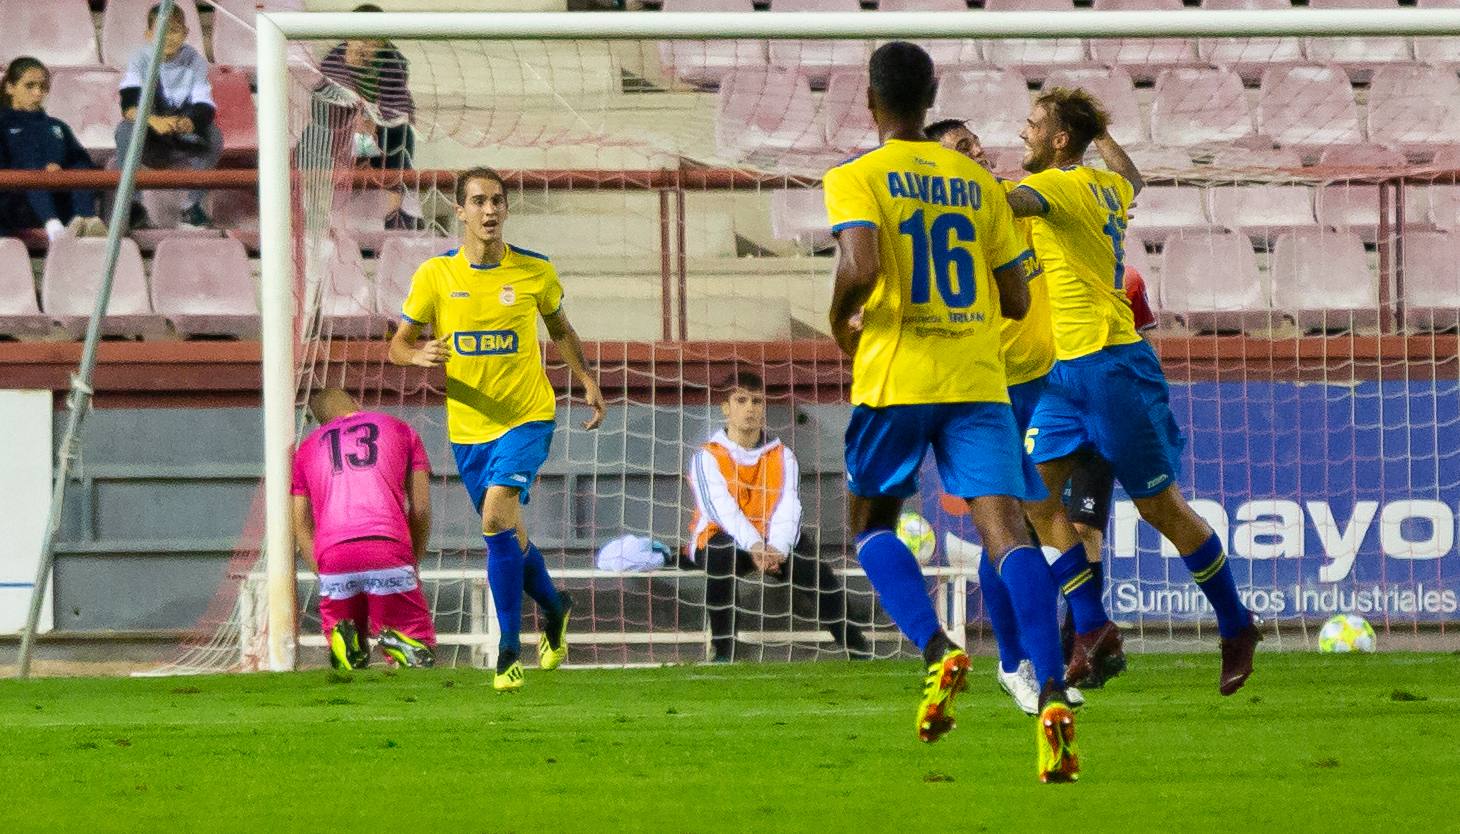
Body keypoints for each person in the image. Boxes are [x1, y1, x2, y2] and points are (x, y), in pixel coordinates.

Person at [825, 42, 1078, 781]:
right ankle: (1051, 689)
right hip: (978, 378)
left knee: (868, 524)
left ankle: (939, 650)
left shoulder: (856, 176)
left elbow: (862, 265)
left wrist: (841, 317)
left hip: (898, 376)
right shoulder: (976, 181)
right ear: (932, 97)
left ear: (871, 101)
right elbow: (1017, 299)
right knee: (1009, 531)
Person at [1007, 87, 1261, 696]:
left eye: (1034, 124)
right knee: (1035, 500)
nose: (1023, 133)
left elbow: (1007, 199)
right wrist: (1101, 136)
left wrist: (948, 178)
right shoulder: (1105, 183)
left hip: (1110, 367)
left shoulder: (1063, 186)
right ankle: (1093, 626)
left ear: (1059, 140)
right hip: (1061, 374)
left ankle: (1235, 624)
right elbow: (1133, 176)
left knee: (1160, 508)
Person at [388, 166, 607, 692]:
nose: (490, 210)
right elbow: (396, 345)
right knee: (509, 534)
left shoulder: (534, 270)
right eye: (479, 202)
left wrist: (587, 381)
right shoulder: (435, 276)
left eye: (498, 201)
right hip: (468, 430)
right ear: (460, 211)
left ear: (506, 210)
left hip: (527, 415)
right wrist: (418, 355)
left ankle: (508, 652)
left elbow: (561, 329)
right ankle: (555, 608)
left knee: (493, 519)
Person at [926, 117, 1084, 716]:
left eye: (974, 143)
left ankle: (1021, 663)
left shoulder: (1009, 204)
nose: (977, 152)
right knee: (1009, 523)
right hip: (988, 383)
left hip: (1037, 380)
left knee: (1016, 522)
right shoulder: (955, 224)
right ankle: (1018, 664)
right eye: (960, 149)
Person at [686, 370, 870, 662]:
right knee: (720, 556)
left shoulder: (783, 455)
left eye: (757, 401)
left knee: (813, 569)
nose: (750, 408)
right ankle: (723, 651)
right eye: (741, 400)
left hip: (773, 542)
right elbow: (721, 511)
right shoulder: (707, 456)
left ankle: (857, 647)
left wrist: (778, 548)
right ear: (725, 408)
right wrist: (754, 545)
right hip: (724, 537)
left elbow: (789, 508)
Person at [290, 388, 437, 669]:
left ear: (320, 421)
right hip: (386, 546)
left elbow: (301, 523)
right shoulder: (401, 430)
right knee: (417, 646)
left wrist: (322, 573)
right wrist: (412, 561)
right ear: (357, 404)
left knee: (347, 651)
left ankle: (347, 644)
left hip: (334, 558)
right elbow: (420, 508)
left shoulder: (306, 449)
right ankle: (404, 643)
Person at [115, 3, 222, 230]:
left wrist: (188, 122)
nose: (168, 37)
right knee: (125, 130)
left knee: (214, 134)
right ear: (149, 35)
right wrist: (154, 121)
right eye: (161, 31)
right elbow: (129, 105)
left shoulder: (195, 61)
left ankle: (191, 207)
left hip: (181, 134)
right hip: (151, 136)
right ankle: (133, 206)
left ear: (184, 33)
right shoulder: (140, 59)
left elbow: (204, 105)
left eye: (173, 31)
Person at [318, 3, 424, 230]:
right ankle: (328, 215)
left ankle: (396, 214)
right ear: (349, 37)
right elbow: (324, 109)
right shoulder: (331, 65)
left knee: (401, 133)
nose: (365, 45)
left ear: (383, 42)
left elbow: (396, 105)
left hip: (376, 128)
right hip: (339, 129)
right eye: (360, 38)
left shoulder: (394, 63)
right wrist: (353, 122)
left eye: (373, 40)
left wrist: (373, 120)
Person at [0, 57, 107, 242]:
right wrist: (41, 170)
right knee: (32, 169)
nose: (37, 93)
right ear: (10, 87)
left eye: (42, 87)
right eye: (30, 86)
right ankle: (53, 227)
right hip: (16, 206)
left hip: (59, 200)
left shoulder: (57, 126)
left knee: (79, 167)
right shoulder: (2, 125)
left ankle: (86, 220)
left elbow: (80, 159)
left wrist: (61, 172)